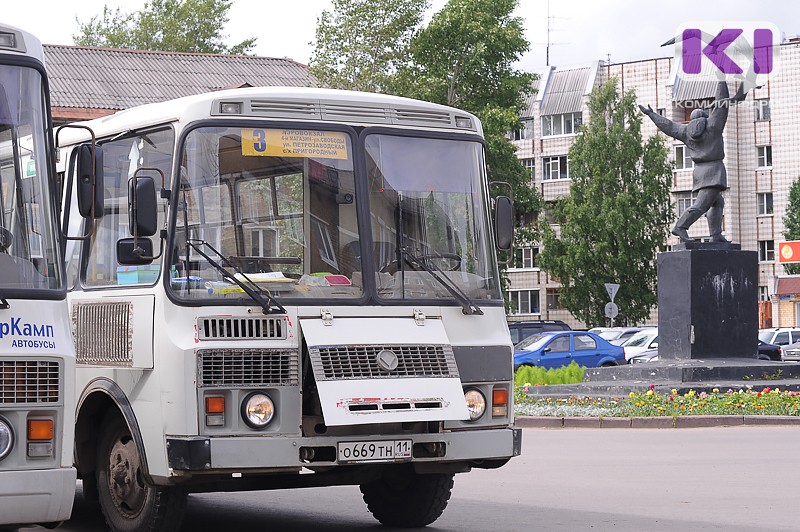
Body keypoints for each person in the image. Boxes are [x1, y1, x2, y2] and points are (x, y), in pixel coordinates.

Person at [639, 81, 746, 243]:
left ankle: (715, 234)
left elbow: (668, 126)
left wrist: (652, 114)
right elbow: (721, 104)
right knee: (702, 204)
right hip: (714, 169)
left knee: (717, 202)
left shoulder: (685, 131)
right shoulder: (713, 126)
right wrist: (721, 79)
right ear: (704, 117)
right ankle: (681, 227)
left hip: (699, 171)